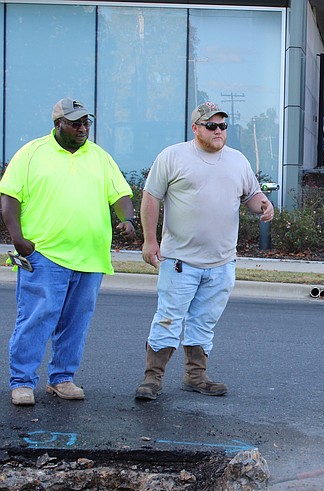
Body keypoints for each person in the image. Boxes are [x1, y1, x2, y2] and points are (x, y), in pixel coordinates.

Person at [134, 102, 274, 401]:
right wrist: (149, 240)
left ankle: (195, 377)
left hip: (221, 262)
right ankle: (152, 379)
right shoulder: (173, 156)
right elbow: (151, 197)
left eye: (223, 126)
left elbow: (251, 193)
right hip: (180, 261)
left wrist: (263, 204)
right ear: (195, 128)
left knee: (204, 322)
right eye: (211, 126)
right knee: (168, 318)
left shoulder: (237, 160)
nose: (218, 131)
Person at [0, 98, 135, 406]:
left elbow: (121, 194)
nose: (83, 128)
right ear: (58, 124)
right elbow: (10, 196)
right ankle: (22, 382)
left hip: (90, 256)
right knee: (36, 317)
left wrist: (127, 219)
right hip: (45, 254)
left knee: (76, 321)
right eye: (75, 123)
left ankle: (62, 378)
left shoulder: (99, 156)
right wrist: (18, 238)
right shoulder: (32, 153)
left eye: (86, 123)